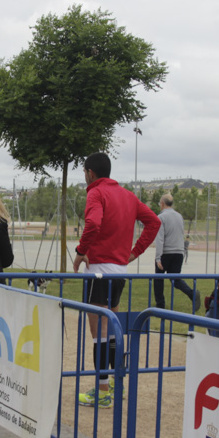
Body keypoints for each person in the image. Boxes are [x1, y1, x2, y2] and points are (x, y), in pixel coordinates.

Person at [72, 152, 160, 408]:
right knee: (112, 333)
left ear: (90, 172)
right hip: (120, 271)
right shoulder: (127, 195)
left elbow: (93, 223)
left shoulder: (96, 193)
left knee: (99, 335)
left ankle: (102, 391)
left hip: (99, 269)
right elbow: (153, 223)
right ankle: (116, 385)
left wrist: (80, 252)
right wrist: (133, 252)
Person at [152, 194, 199, 312]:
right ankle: (192, 293)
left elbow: (160, 238)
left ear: (162, 204)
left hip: (166, 252)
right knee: (176, 279)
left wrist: (158, 257)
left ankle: (160, 304)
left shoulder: (161, 217)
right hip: (179, 252)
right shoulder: (179, 216)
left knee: (158, 278)